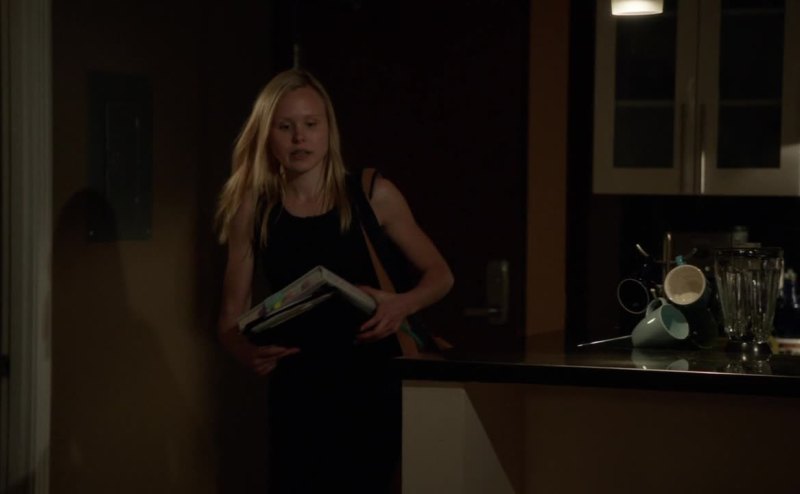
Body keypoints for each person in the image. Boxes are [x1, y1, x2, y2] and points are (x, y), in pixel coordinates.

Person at [215, 68, 454, 493]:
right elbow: (230, 318)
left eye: (311, 124)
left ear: (329, 130)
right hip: (298, 387)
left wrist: (401, 304)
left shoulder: (370, 192)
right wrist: (244, 350)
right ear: (267, 134)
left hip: (372, 378)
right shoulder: (254, 207)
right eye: (285, 127)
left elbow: (440, 275)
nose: (299, 138)